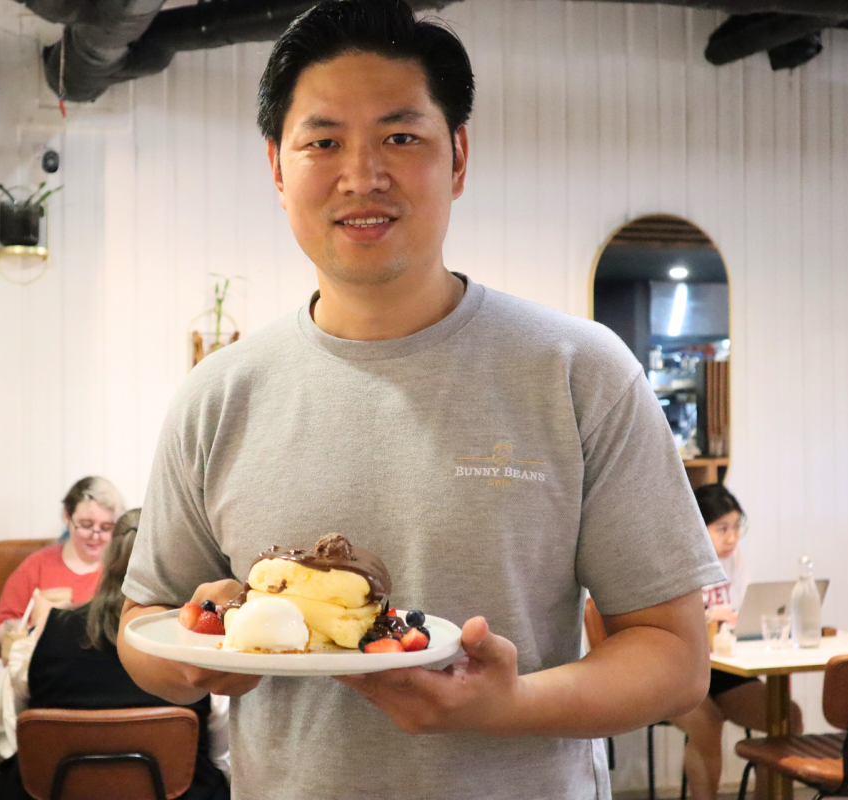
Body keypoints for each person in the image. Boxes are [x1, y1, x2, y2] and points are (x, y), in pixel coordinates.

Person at [116, 2, 726, 797]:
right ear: (276, 165)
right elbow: (142, 629)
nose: (362, 175)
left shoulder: (579, 370)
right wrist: (201, 657)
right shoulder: (218, 395)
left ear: (459, 156)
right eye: (323, 140)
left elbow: (676, 660)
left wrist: (507, 704)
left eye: (401, 137)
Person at [0, 512, 230, 800]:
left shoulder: (43, 634)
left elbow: (8, 735)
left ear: (107, 560)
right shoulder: (200, 645)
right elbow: (223, 753)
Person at [669, 483, 802, 800]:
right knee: (707, 722)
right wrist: (713, 618)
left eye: (737, 526)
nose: (732, 537)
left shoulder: (734, 558)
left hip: (725, 670)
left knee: (787, 717)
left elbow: (743, 613)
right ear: (696, 527)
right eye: (722, 528)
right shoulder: (676, 560)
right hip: (679, 673)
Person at [0, 476, 126, 647]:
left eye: (106, 528)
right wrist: (38, 627)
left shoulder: (123, 569)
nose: (95, 535)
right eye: (85, 525)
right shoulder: (37, 565)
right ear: (67, 517)